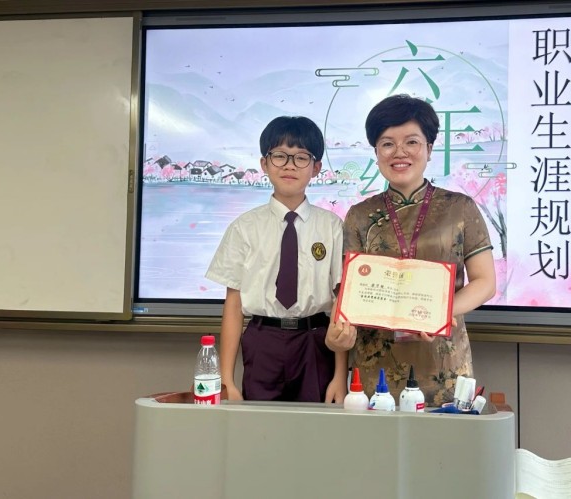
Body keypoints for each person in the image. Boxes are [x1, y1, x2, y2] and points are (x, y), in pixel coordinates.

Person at [326, 94, 496, 406]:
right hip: (374, 364)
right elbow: (348, 293)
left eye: (412, 142)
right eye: (387, 144)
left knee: (443, 437)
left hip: (442, 360)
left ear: (429, 149)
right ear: (376, 152)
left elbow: (485, 282)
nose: (399, 152)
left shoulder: (460, 208)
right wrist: (337, 336)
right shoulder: (360, 215)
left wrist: (439, 314)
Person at [206, 116, 347, 404]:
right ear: (264, 164)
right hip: (263, 340)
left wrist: (340, 375)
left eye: (301, 157)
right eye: (280, 156)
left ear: (316, 168)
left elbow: (340, 303)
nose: (289, 165)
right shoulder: (244, 227)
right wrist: (226, 378)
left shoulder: (332, 227)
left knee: (316, 426)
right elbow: (233, 304)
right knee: (260, 426)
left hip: (315, 340)